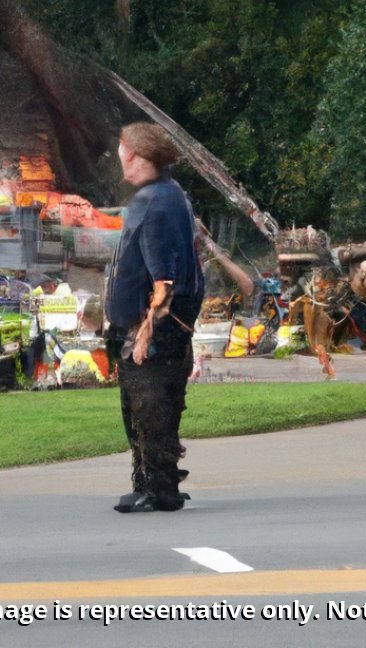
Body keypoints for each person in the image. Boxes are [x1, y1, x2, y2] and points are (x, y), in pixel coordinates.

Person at [104, 123, 204, 513]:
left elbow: (164, 276)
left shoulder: (154, 203)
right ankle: (149, 482)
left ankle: (161, 489)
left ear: (146, 158)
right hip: (161, 327)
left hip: (153, 329)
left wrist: (145, 332)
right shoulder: (170, 194)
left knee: (149, 409)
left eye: (127, 155)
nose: (124, 163)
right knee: (145, 408)